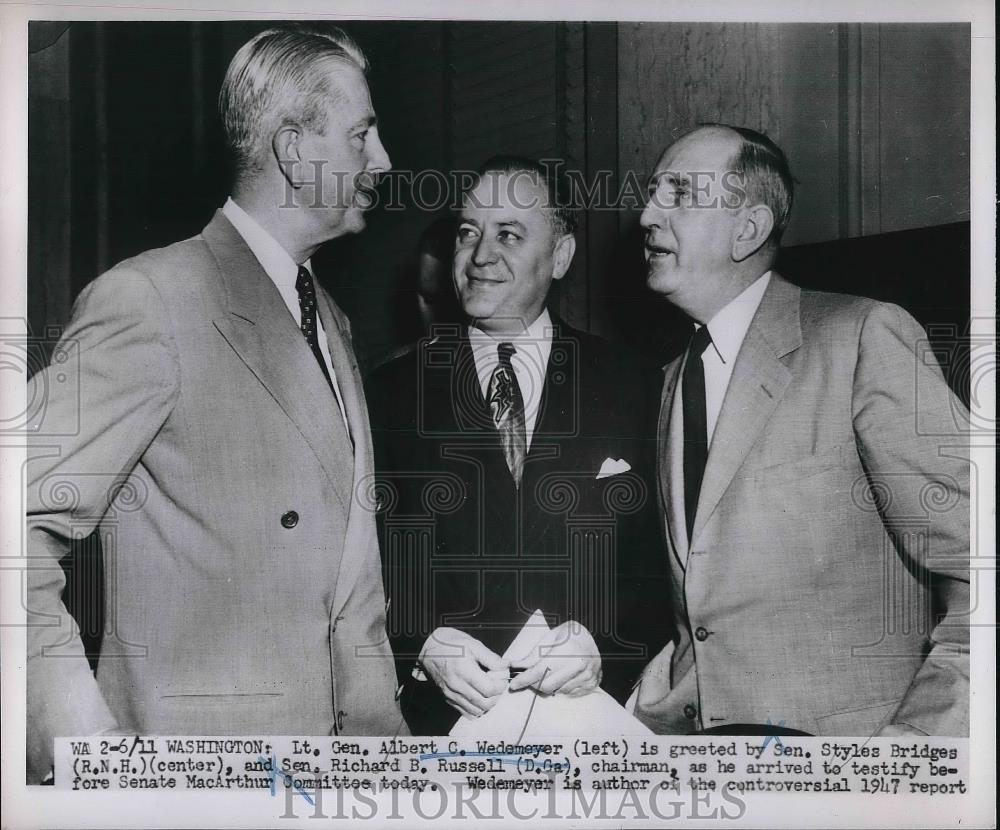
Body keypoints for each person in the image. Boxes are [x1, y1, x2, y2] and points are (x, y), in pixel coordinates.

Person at [25, 25, 403, 782]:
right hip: (202, 784)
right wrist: (82, 747)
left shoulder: (329, 317)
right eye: (362, 135)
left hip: (348, 776)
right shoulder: (151, 301)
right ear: (295, 151)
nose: (384, 162)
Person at [632, 124, 969, 736]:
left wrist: (921, 747)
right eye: (654, 192)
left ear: (749, 229)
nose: (647, 214)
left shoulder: (863, 337)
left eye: (679, 192)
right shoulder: (669, 381)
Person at [368, 156, 671, 735]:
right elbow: (362, 560)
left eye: (508, 233)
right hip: (443, 731)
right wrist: (420, 642)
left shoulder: (637, 384)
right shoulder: (387, 392)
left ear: (560, 257)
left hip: (595, 726)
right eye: (468, 233)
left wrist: (609, 647)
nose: (481, 256)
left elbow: (669, 562)